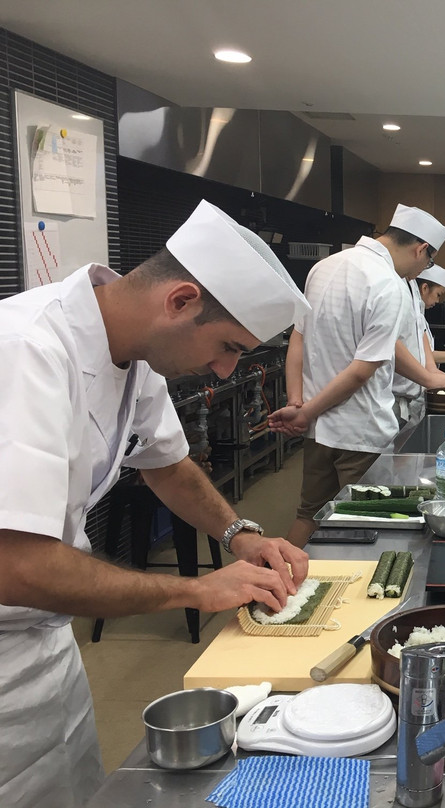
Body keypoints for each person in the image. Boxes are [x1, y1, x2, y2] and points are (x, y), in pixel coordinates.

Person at [0, 199, 312, 808]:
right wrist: (193, 590)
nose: (226, 372)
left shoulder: (133, 354)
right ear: (180, 300)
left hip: (44, 649)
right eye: (227, 345)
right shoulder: (26, 349)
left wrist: (241, 534)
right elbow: (17, 565)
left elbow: (168, 465)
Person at [269, 204, 445, 547]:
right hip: (361, 432)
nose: (420, 272)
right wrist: (304, 411)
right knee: (369, 527)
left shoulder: (323, 268)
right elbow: (361, 371)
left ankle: (279, 591)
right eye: (426, 263)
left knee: (309, 515)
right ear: (421, 249)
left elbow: (298, 339)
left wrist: (299, 403)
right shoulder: (387, 283)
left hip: (319, 429)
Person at [392, 264, 445, 428]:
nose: (437, 301)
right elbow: (392, 342)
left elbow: (421, 341)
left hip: (412, 395)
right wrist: (429, 378)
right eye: (438, 295)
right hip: (395, 396)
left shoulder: (413, 293)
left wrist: (432, 370)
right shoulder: (395, 288)